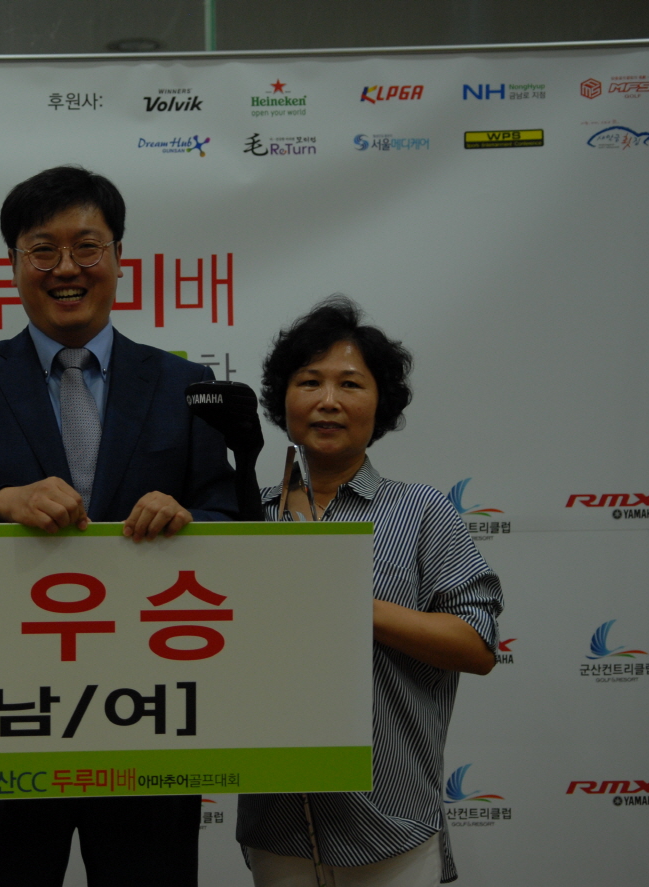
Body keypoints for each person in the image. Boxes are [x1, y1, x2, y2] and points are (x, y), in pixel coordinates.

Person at [0, 165, 239, 886]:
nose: (66, 268)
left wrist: (189, 518)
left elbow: (228, 510)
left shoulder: (184, 385)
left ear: (118, 257)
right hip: (4, 715)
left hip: (149, 711)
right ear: (12, 263)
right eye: (42, 249)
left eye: (87, 247)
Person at [236, 298, 503, 887]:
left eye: (350, 384)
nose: (328, 400)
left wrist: (344, 602)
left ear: (380, 404)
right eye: (310, 382)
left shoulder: (422, 511)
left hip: (392, 821)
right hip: (277, 820)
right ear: (284, 398)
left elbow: (477, 645)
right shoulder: (245, 517)